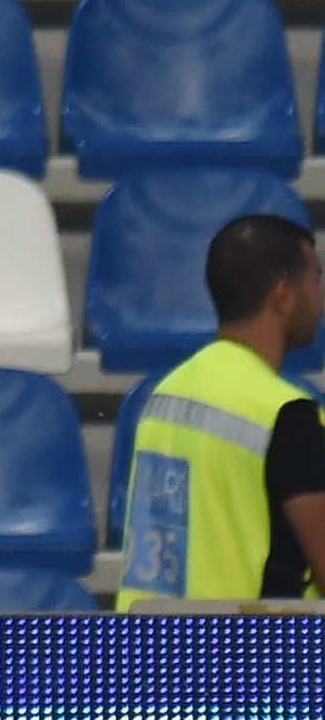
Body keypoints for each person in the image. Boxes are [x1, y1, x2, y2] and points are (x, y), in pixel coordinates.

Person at [117, 214, 325, 609]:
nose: (320, 296)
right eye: (315, 279)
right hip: (246, 655)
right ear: (283, 295)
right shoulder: (285, 413)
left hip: (152, 651)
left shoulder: (164, 395)